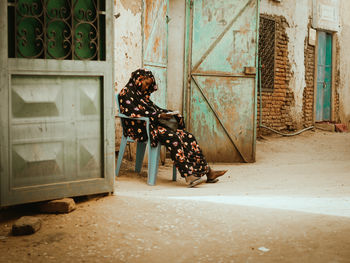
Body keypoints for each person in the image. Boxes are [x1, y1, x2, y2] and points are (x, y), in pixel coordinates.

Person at [118, 69, 227, 187]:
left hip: (153, 126)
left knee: (188, 136)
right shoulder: (125, 93)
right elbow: (133, 113)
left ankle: (208, 172)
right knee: (173, 138)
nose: (147, 87)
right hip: (139, 129)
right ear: (139, 80)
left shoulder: (142, 95)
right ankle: (189, 176)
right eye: (146, 84)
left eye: (149, 85)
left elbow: (154, 109)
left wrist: (170, 114)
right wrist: (158, 115)